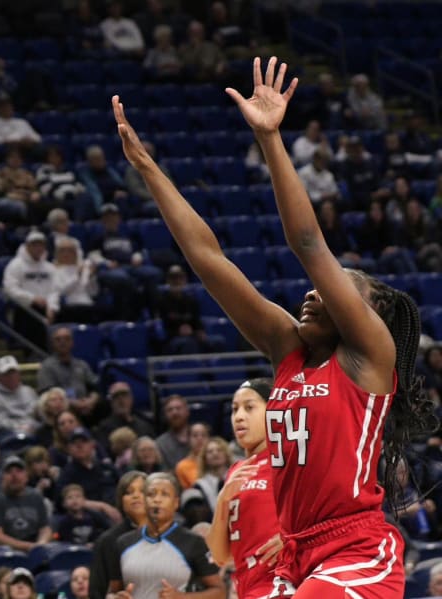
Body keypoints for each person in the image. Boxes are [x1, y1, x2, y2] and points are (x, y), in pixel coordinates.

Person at [113, 55, 432, 597]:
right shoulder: (288, 352)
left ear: (362, 313)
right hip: (295, 550)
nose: (312, 293)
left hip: (356, 551)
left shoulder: (368, 357)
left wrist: (270, 141)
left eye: (333, 290)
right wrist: (148, 169)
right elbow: (208, 259)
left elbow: (308, 244)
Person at [204, 379, 289, 599]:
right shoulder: (235, 470)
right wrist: (222, 500)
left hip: (281, 583)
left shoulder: (287, 461)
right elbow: (220, 556)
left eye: (249, 407)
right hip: (247, 586)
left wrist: (294, 537)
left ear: (272, 411)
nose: (239, 416)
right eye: (234, 409)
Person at [107, 472, 224, 599]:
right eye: (151, 494)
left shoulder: (194, 542)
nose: (157, 500)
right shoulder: (123, 543)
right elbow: (112, 592)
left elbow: (219, 592)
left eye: (165, 494)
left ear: (176, 503)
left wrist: (181, 597)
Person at [89, 471, 147, 599]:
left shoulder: (168, 535)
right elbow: (96, 591)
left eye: (142, 491)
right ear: (121, 500)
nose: (136, 496)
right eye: (128, 492)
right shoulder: (107, 541)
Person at [0, 455, 53, 552]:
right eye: (9, 472)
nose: (14, 475)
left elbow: (45, 528)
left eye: (19, 471)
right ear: (2, 477)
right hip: (2, 554)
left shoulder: (35, 496)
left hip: (33, 551)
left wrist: (41, 543)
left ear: (26, 476)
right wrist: (30, 547)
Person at [0, 356, 40, 435]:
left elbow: (37, 414)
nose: (11, 377)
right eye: (6, 374)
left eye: (13, 372)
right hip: (9, 434)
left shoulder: (28, 390)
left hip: (34, 430)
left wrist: (31, 426)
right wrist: (20, 428)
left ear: (19, 373)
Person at [155, 394, 191, 471]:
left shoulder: (200, 436)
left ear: (187, 411)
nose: (174, 412)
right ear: (165, 415)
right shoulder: (160, 444)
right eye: (170, 410)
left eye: (178, 408)